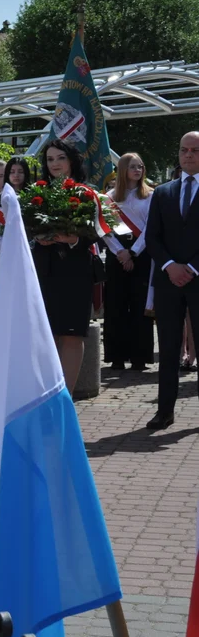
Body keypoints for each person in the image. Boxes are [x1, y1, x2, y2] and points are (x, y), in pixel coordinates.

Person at [31, 139, 101, 393]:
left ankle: (65, 398)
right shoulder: (36, 193)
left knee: (71, 335)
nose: (55, 164)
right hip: (45, 270)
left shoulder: (87, 192)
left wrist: (74, 239)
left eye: (60, 158)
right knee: (48, 334)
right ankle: (46, 394)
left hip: (75, 270)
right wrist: (37, 235)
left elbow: (98, 230)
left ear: (71, 160)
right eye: (50, 159)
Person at [143, 132, 199, 431]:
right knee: (167, 348)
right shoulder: (163, 192)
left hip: (197, 277)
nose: (188, 155)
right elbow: (152, 236)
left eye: (195, 150)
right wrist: (169, 266)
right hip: (168, 280)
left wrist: (190, 267)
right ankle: (164, 411)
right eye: (183, 150)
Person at [101, 152, 154, 372]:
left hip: (141, 255)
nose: (138, 170)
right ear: (123, 169)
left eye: (140, 166)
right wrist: (121, 252)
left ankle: (140, 357)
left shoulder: (151, 195)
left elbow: (152, 227)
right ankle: (117, 357)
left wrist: (133, 253)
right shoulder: (109, 197)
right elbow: (105, 229)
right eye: (133, 166)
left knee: (140, 305)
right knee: (116, 306)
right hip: (117, 255)